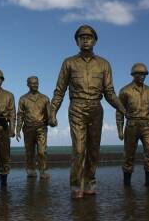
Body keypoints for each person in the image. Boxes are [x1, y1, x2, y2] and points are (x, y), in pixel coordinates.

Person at [50, 25, 126, 198]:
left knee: (93, 150)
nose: (85, 39)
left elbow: (109, 92)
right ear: (77, 41)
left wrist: (123, 108)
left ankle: (90, 181)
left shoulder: (104, 64)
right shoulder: (68, 62)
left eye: (89, 37)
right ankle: (76, 185)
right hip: (76, 107)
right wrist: (53, 112)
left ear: (95, 40)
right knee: (78, 150)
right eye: (81, 37)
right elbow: (59, 91)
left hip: (96, 109)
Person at [116, 63, 149, 187]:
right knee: (128, 155)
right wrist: (120, 130)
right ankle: (127, 184)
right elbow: (119, 112)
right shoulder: (125, 91)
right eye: (139, 74)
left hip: (147, 126)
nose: (142, 76)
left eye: (144, 74)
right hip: (131, 126)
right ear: (133, 75)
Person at [16, 76, 51, 179]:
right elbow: (20, 115)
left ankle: (43, 170)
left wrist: (52, 120)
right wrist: (17, 130)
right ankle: (31, 170)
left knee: (42, 151)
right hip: (28, 128)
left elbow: (49, 114)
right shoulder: (23, 99)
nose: (35, 85)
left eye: (36, 83)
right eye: (32, 83)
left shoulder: (45, 98)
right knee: (29, 151)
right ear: (28, 85)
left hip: (41, 128)